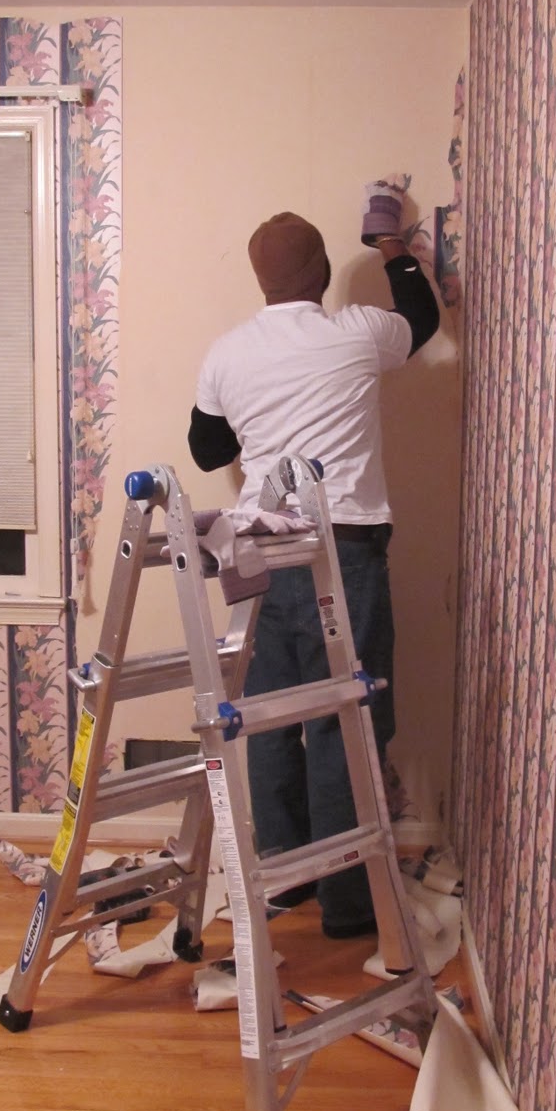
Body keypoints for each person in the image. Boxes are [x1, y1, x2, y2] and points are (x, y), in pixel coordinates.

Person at [188, 210, 439, 937]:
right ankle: (347, 902)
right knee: (343, 723)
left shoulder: (228, 353)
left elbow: (207, 450)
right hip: (340, 552)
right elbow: (422, 319)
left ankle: (288, 875)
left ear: (259, 279)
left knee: (268, 718)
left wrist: (262, 412)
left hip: (258, 552)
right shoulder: (357, 331)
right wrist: (392, 245)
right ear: (323, 273)